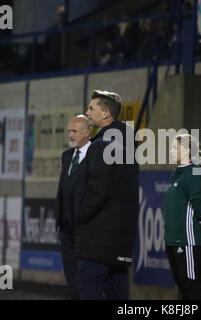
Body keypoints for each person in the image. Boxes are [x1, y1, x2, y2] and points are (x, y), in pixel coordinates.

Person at [74, 90, 139, 300]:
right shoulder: (128, 145)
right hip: (120, 240)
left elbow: (98, 191)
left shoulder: (103, 144)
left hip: (99, 241)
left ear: (105, 114)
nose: (86, 112)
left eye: (92, 108)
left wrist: (80, 214)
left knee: (87, 290)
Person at [163, 133, 201, 300]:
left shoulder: (194, 171)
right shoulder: (179, 173)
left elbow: (198, 203)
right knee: (184, 287)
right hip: (173, 239)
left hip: (188, 240)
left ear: (187, 150)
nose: (170, 151)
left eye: (175, 148)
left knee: (193, 288)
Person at [56, 115, 91, 298]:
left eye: (74, 131)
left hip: (84, 228)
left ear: (87, 133)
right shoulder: (67, 156)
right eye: (69, 131)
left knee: (84, 278)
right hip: (66, 228)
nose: (70, 135)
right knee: (71, 277)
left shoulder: (95, 156)